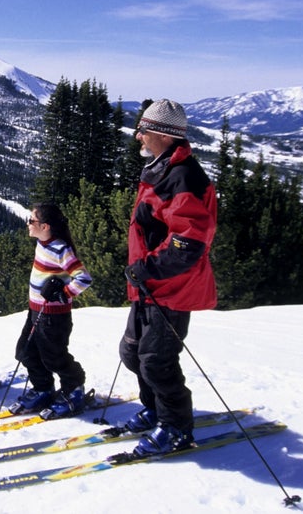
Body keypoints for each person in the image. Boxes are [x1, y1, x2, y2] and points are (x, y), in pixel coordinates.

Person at [119, 99, 218, 455]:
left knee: (157, 360)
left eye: (143, 130)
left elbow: (188, 243)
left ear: (162, 134)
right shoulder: (161, 168)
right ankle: (158, 409)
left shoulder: (184, 177)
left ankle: (176, 428)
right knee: (131, 353)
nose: (138, 137)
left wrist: (147, 268)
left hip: (172, 288)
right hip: (149, 285)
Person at [10, 203, 93, 418]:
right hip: (36, 310)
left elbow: (84, 278)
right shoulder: (42, 243)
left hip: (54, 317)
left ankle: (73, 389)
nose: (28, 224)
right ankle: (43, 388)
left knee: (54, 357)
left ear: (45, 226)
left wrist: (63, 293)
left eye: (32, 221)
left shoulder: (60, 249)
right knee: (25, 352)